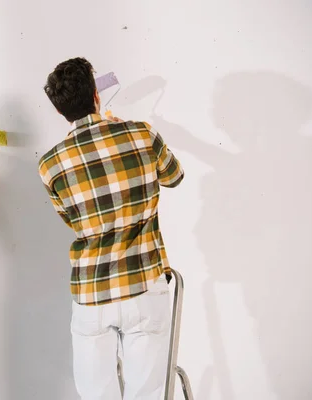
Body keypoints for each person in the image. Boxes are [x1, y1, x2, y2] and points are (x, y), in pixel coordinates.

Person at [39, 57, 184, 400]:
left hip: (92, 295)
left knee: (95, 394)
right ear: (97, 96)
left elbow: (72, 220)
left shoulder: (50, 165)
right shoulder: (141, 133)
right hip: (144, 285)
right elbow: (175, 176)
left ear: (61, 113)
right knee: (146, 393)